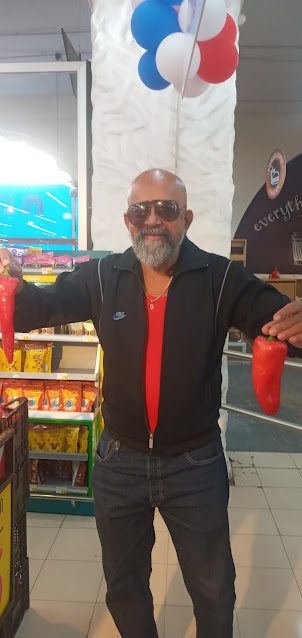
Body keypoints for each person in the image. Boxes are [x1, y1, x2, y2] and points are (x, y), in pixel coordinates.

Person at [1, 168, 302, 638]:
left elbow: (276, 319)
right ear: (127, 220)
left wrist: (295, 325)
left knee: (213, 587)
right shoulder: (102, 276)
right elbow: (40, 307)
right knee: (123, 585)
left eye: (167, 209)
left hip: (195, 463)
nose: (153, 219)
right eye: (141, 210)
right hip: (119, 462)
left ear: (187, 218)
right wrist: (9, 290)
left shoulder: (220, 278)